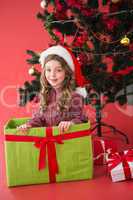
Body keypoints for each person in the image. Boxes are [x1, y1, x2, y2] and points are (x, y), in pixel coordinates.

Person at [17, 45, 88, 133]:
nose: (52, 75)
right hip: (49, 140)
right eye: (48, 70)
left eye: (58, 70)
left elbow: (81, 118)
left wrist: (71, 123)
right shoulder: (45, 94)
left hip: (67, 141)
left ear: (66, 73)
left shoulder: (74, 96)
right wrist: (29, 125)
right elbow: (39, 118)